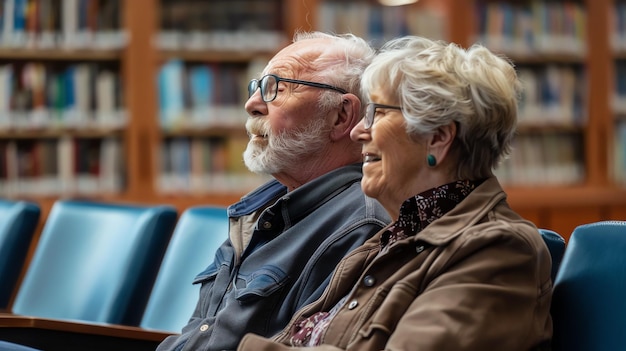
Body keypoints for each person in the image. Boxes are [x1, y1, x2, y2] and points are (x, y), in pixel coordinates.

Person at [237, 36, 553, 351]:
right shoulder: (392, 239)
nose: (359, 130)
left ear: (438, 138)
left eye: (377, 113)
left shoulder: (499, 249)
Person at [156, 31, 390, 351]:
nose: (252, 104)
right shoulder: (256, 211)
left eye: (276, 89)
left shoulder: (361, 226)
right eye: (257, 87)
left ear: (341, 116)